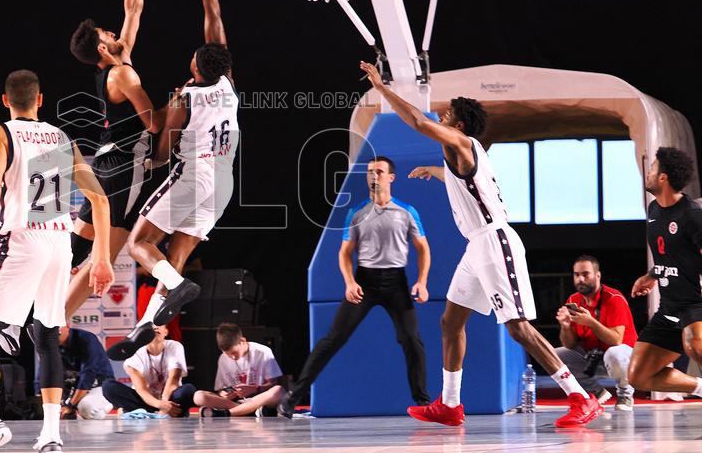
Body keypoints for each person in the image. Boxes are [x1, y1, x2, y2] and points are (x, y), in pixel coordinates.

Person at [360, 60, 603, 428]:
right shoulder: (460, 154)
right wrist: (437, 173)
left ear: (458, 126)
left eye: (448, 114)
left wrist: (382, 87)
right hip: (476, 247)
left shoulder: (463, 142)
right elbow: (464, 181)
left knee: (517, 327)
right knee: (450, 321)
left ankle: (581, 398)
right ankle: (451, 404)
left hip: (495, 241)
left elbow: (419, 123)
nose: (441, 115)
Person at [0, 69, 114, 453]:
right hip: (60, 244)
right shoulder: (61, 138)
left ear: (4, 100)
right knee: (46, 335)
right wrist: (103, 257)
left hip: (23, 239)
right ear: (41, 100)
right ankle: (51, 437)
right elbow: (101, 200)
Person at [109, 0, 237, 359]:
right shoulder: (229, 85)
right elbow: (214, 18)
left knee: (140, 244)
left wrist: (153, 149)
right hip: (223, 184)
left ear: (195, 66)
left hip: (192, 175)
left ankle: (176, 289)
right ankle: (146, 325)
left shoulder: (185, 96)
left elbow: (164, 150)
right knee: (175, 255)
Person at [65, 0, 167, 322]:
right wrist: (179, 103)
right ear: (105, 49)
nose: (114, 30)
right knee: (102, 255)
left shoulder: (112, 68)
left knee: (76, 251)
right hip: (124, 169)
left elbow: (134, 9)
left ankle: (35, 316)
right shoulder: (124, 76)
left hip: (103, 164)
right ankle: (54, 324)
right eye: (108, 33)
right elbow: (154, 125)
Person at [280, 157, 431, 416]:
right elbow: (344, 253)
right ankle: (294, 397)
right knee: (333, 339)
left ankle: (423, 403)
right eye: (370, 172)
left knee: (411, 340)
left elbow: (423, 249)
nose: (374, 176)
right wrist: (349, 282)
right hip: (365, 281)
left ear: (391, 178)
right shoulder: (357, 213)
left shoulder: (407, 211)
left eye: (379, 172)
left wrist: (422, 282)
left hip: (396, 281)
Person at [627, 148, 702, 398]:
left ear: (663, 178)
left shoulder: (692, 215)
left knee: (695, 344)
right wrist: (652, 275)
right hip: (670, 307)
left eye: (652, 169)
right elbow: (672, 255)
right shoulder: (654, 211)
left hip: (696, 303)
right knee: (639, 376)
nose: (647, 174)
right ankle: (700, 388)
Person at [555, 254, 638, 410]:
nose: (580, 279)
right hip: (592, 356)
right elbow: (570, 344)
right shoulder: (573, 299)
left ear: (597, 275)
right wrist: (565, 326)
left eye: (585, 274)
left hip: (623, 357)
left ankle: (625, 395)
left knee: (615, 353)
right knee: (554, 355)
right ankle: (596, 393)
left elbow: (616, 340)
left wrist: (591, 322)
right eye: (576, 275)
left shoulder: (614, 298)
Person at [193, 323, 285, 417]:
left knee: (278, 391)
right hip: (236, 402)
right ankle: (250, 411)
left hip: (258, 399)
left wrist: (255, 388)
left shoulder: (263, 352)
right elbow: (220, 389)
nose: (232, 357)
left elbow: (273, 383)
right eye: (228, 354)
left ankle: (228, 413)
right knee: (198, 396)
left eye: (234, 352)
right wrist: (223, 394)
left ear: (242, 340)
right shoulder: (223, 358)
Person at [101, 324, 195, 416]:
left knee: (188, 390)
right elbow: (141, 389)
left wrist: (165, 403)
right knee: (108, 387)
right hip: (145, 398)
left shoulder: (175, 346)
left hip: (170, 397)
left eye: (159, 325)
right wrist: (160, 405)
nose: (155, 327)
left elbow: (174, 379)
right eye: (151, 326)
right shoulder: (135, 353)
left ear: (166, 332)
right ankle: (171, 411)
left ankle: (135, 410)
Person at [57, 324, 114, 420]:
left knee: (87, 408)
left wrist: (71, 405)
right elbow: (45, 373)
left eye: (58, 331)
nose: (54, 335)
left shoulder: (86, 339)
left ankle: (109, 402)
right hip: (73, 389)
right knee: (52, 412)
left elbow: (88, 374)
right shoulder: (49, 343)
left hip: (98, 386)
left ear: (67, 326)